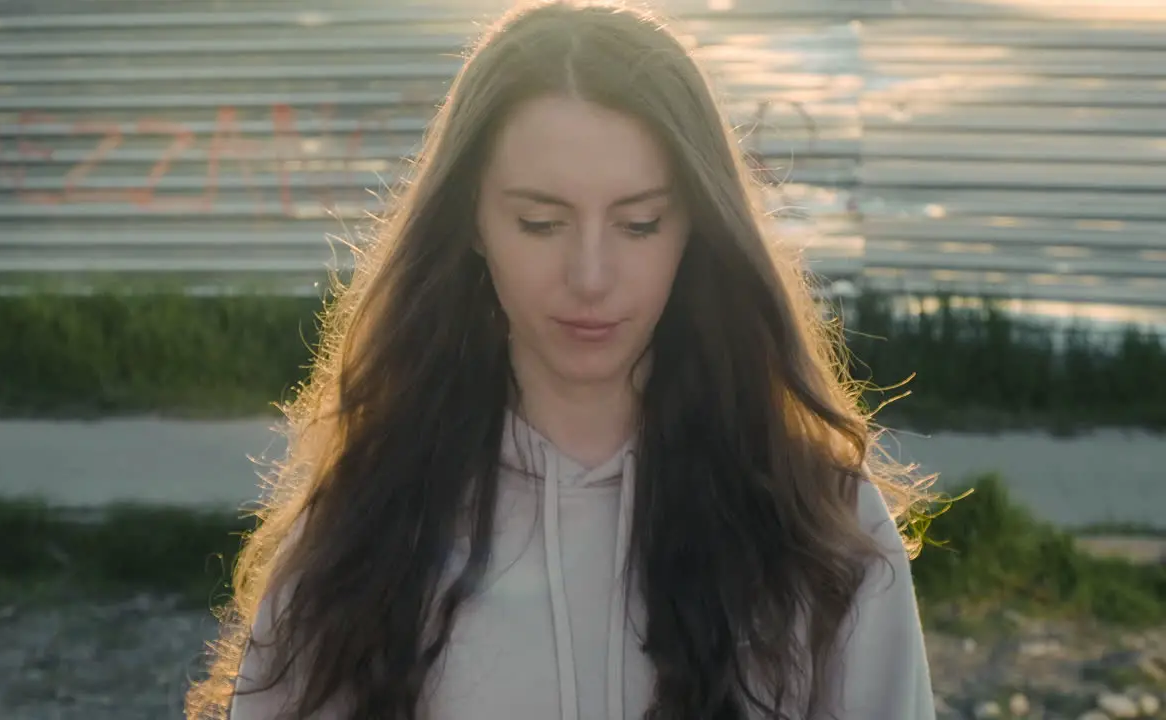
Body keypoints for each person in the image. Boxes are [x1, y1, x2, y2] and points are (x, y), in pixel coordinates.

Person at [186, 1, 938, 718]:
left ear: (696, 228)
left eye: (640, 223)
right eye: (540, 223)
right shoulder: (366, 524)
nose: (589, 277)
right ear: (473, 223)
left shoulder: (822, 524)